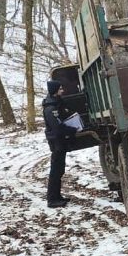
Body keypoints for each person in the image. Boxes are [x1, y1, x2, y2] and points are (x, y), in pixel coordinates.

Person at [42, 80, 79, 208]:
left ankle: (57, 197)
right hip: (56, 142)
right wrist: (72, 130)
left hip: (60, 141)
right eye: (60, 89)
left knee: (59, 170)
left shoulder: (55, 104)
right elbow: (57, 128)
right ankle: (52, 200)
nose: (62, 91)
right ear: (55, 91)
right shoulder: (50, 109)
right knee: (56, 171)